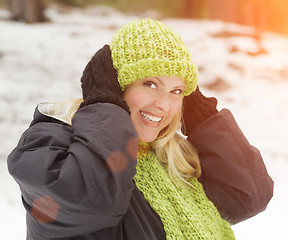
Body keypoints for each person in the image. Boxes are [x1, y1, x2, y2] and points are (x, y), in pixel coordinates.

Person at [7, 19, 274, 239]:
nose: (163, 104)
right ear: (116, 85)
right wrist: (104, 104)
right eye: (150, 84)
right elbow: (91, 200)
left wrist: (200, 115)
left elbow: (249, 196)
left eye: (176, 91)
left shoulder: (168, 157)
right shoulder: (51, 142)